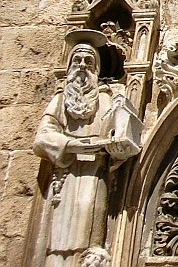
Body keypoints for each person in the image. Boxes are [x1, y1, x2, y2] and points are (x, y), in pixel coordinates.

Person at [33, 30, 142, 267]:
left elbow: (121, 134)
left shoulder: (107, 99)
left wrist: (115, 143)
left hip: (96, 172)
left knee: (87, 218)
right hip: (65, 174)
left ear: (96, 68)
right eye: (77, 60)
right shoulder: (61, 100)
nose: (82, 66)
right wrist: (71, 145)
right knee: (59, 231)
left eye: (88, 61)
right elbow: (42, 137)